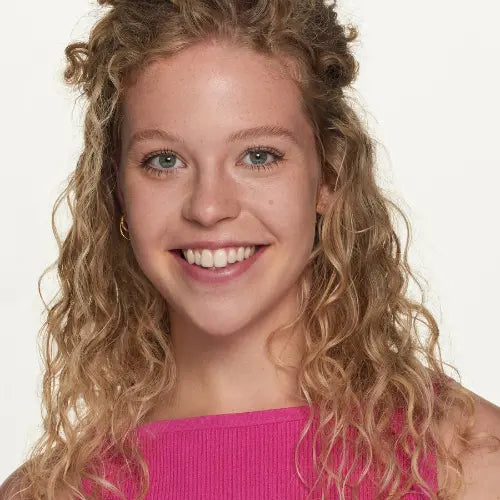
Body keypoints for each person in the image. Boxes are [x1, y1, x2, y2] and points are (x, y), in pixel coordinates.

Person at [1, 0, 499, 498]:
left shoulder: (471, 463)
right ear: (117, 190)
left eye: (258, 156)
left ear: (329, 174)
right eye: (165, 160)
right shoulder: (53, 492)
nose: (208, 207)